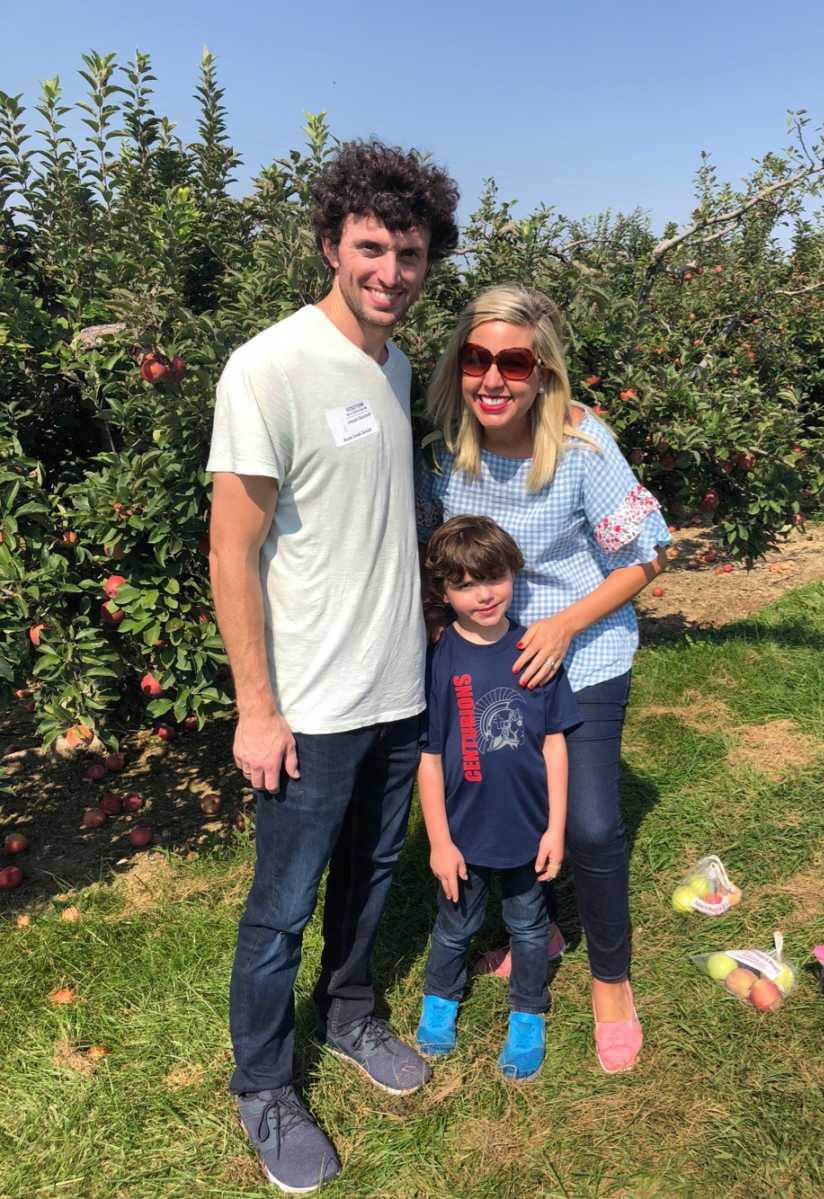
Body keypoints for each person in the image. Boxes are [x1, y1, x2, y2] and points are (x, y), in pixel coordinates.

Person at [207, 139, 459, 1194]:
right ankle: (263, 1080)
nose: (389, 272)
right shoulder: (269, 365)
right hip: (309, 700)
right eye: (370, 248)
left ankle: (350, 1011)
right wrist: (255, 706)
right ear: (329, 243)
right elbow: (232, 547)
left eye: (408, 254)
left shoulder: (394, 363)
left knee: (373, 873)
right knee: (283, 905)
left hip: (397, 680)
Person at [416, 284, 671, 1074]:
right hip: (489, 661)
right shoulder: (441, 454)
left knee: (591, 824)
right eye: (477, 358)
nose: (493, 378)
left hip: (579, 652)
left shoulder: (582, 446)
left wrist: (561, 626)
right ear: (459, 364)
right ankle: (540, 923)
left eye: (514, 361)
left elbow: (646, 554)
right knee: (492, 795)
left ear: (542, 372)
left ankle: (611, 982)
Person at [413, 515, 579, 1081]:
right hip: (462, 834)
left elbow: (556, 744)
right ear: (444, 592)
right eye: (463, 584)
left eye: (493, 577)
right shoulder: (439, 660)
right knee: (455, 926)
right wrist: (438, 840)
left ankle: (528, 1012)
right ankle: (440, 1000)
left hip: (529, 832)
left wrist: (557, 827)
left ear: (513, 573)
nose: (483, 594)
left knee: (530, 928)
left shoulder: (535, 651)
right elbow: (430, 757)